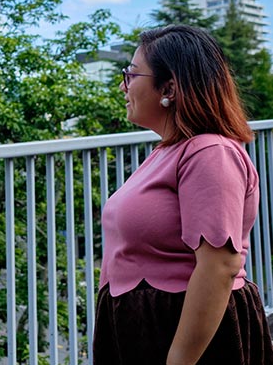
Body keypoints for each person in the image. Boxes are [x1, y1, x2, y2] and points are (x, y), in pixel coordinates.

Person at [93, 25, 273, 365]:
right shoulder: (169, 151)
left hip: (188, 340)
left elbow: (219, 265)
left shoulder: (210, 153)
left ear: (170, 87)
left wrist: (179, 359)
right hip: (148, 330)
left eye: (131, 75)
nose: (123, 86)